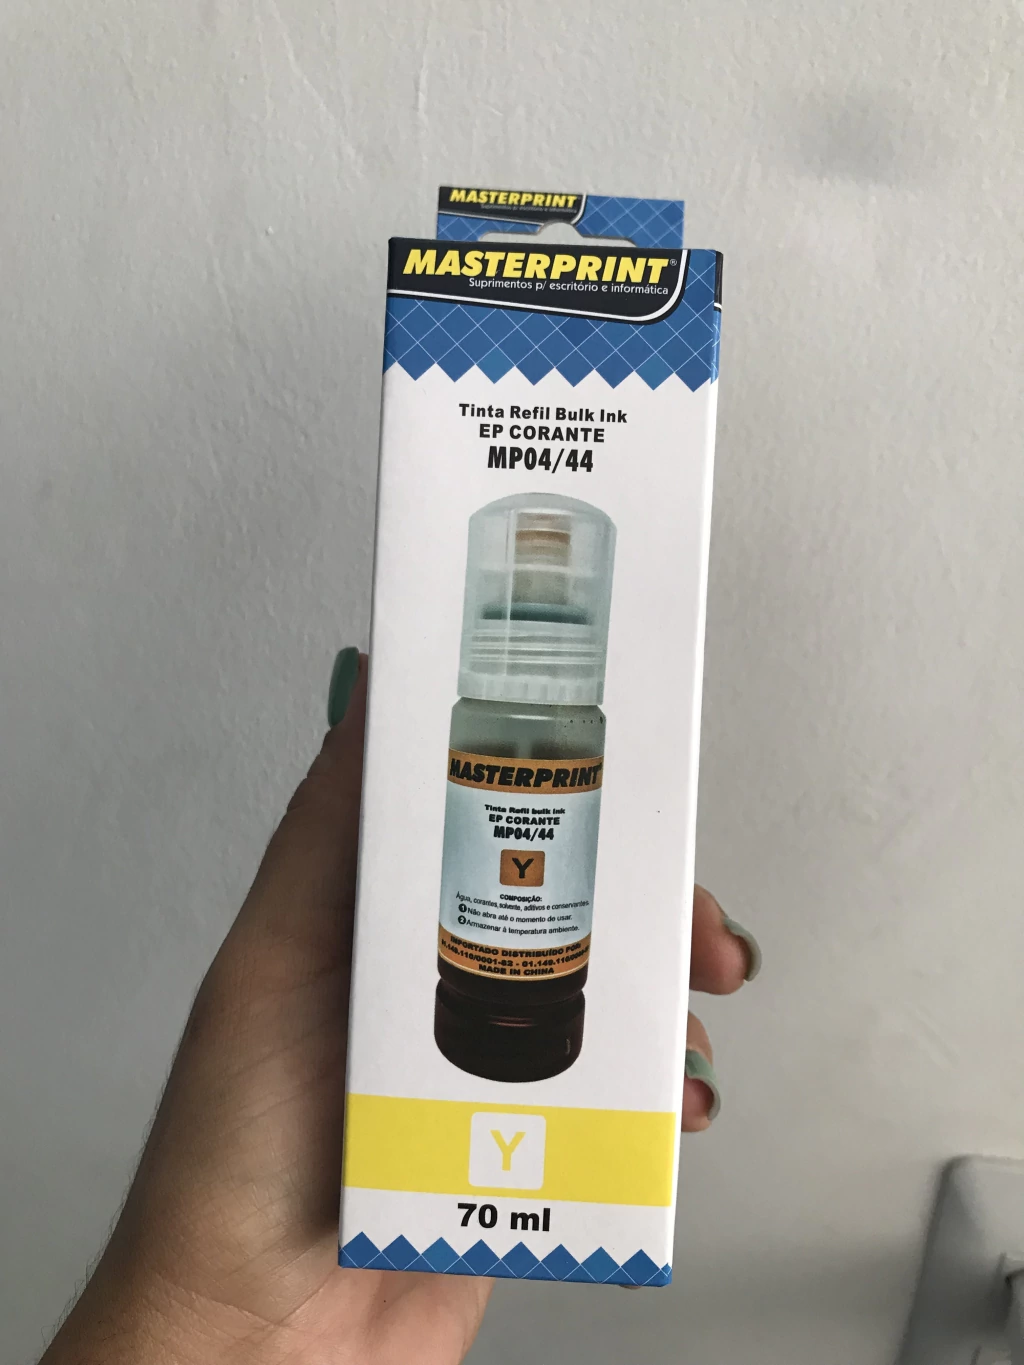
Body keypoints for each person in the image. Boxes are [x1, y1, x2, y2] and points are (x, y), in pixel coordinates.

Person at [40, 650, 760, 1365]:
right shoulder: (472, 720)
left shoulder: (582, 727)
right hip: (439, 1035)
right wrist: (209, 1315)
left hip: (548, 1008)